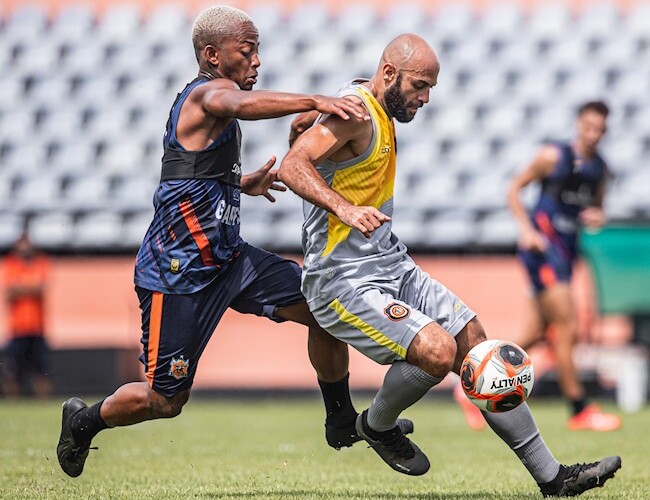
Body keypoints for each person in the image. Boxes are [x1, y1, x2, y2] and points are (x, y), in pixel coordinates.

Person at [56, 5, 414, 478]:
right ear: (212, 54)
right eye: (247, 51)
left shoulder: (213, 114)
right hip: (180, 273)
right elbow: (241, 104)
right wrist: (316, 101)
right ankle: (83, 422)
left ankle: (341, 420)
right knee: (166, 400)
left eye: (257, 51)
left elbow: (185, 172)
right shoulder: (207, 95)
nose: (257, 61)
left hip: (230, 259)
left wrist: (238, 182)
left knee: (324, 309)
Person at [278, 34, 621, 496]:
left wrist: (305, 126)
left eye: (430, 89)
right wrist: (344, 208)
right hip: (344, 280)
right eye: (420, 86)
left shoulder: (368, 101)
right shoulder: (356, 112)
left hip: (391, 265)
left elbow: (315, 136)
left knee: (476, 346)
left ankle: (553, 479)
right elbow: (291, 167)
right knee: (437, 353)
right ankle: (377, 426)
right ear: (388, 74)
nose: (425, 99)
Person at [506, 101, 621, 432]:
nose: (593, 134)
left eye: (599, 129)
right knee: (567, 326)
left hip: (567, 255)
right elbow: (514, 190)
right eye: (588, 126)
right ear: (578, 125)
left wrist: (599, 217)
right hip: (543, 252)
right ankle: (579, 409)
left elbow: (597, 210)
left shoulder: (600, 169)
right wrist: (527, 230)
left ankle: (469, 382)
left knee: (538, 333)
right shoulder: (552, 157)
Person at [2, 233, 52, 398]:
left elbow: (41, 288)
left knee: (42, 371)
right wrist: (30, 287)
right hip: (18, 329)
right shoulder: (11, 264)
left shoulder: (41, 262)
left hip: (37, 328)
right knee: (12, 371)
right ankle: (13, 402)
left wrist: (21, 287)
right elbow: (10, 291)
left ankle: (43, 402)